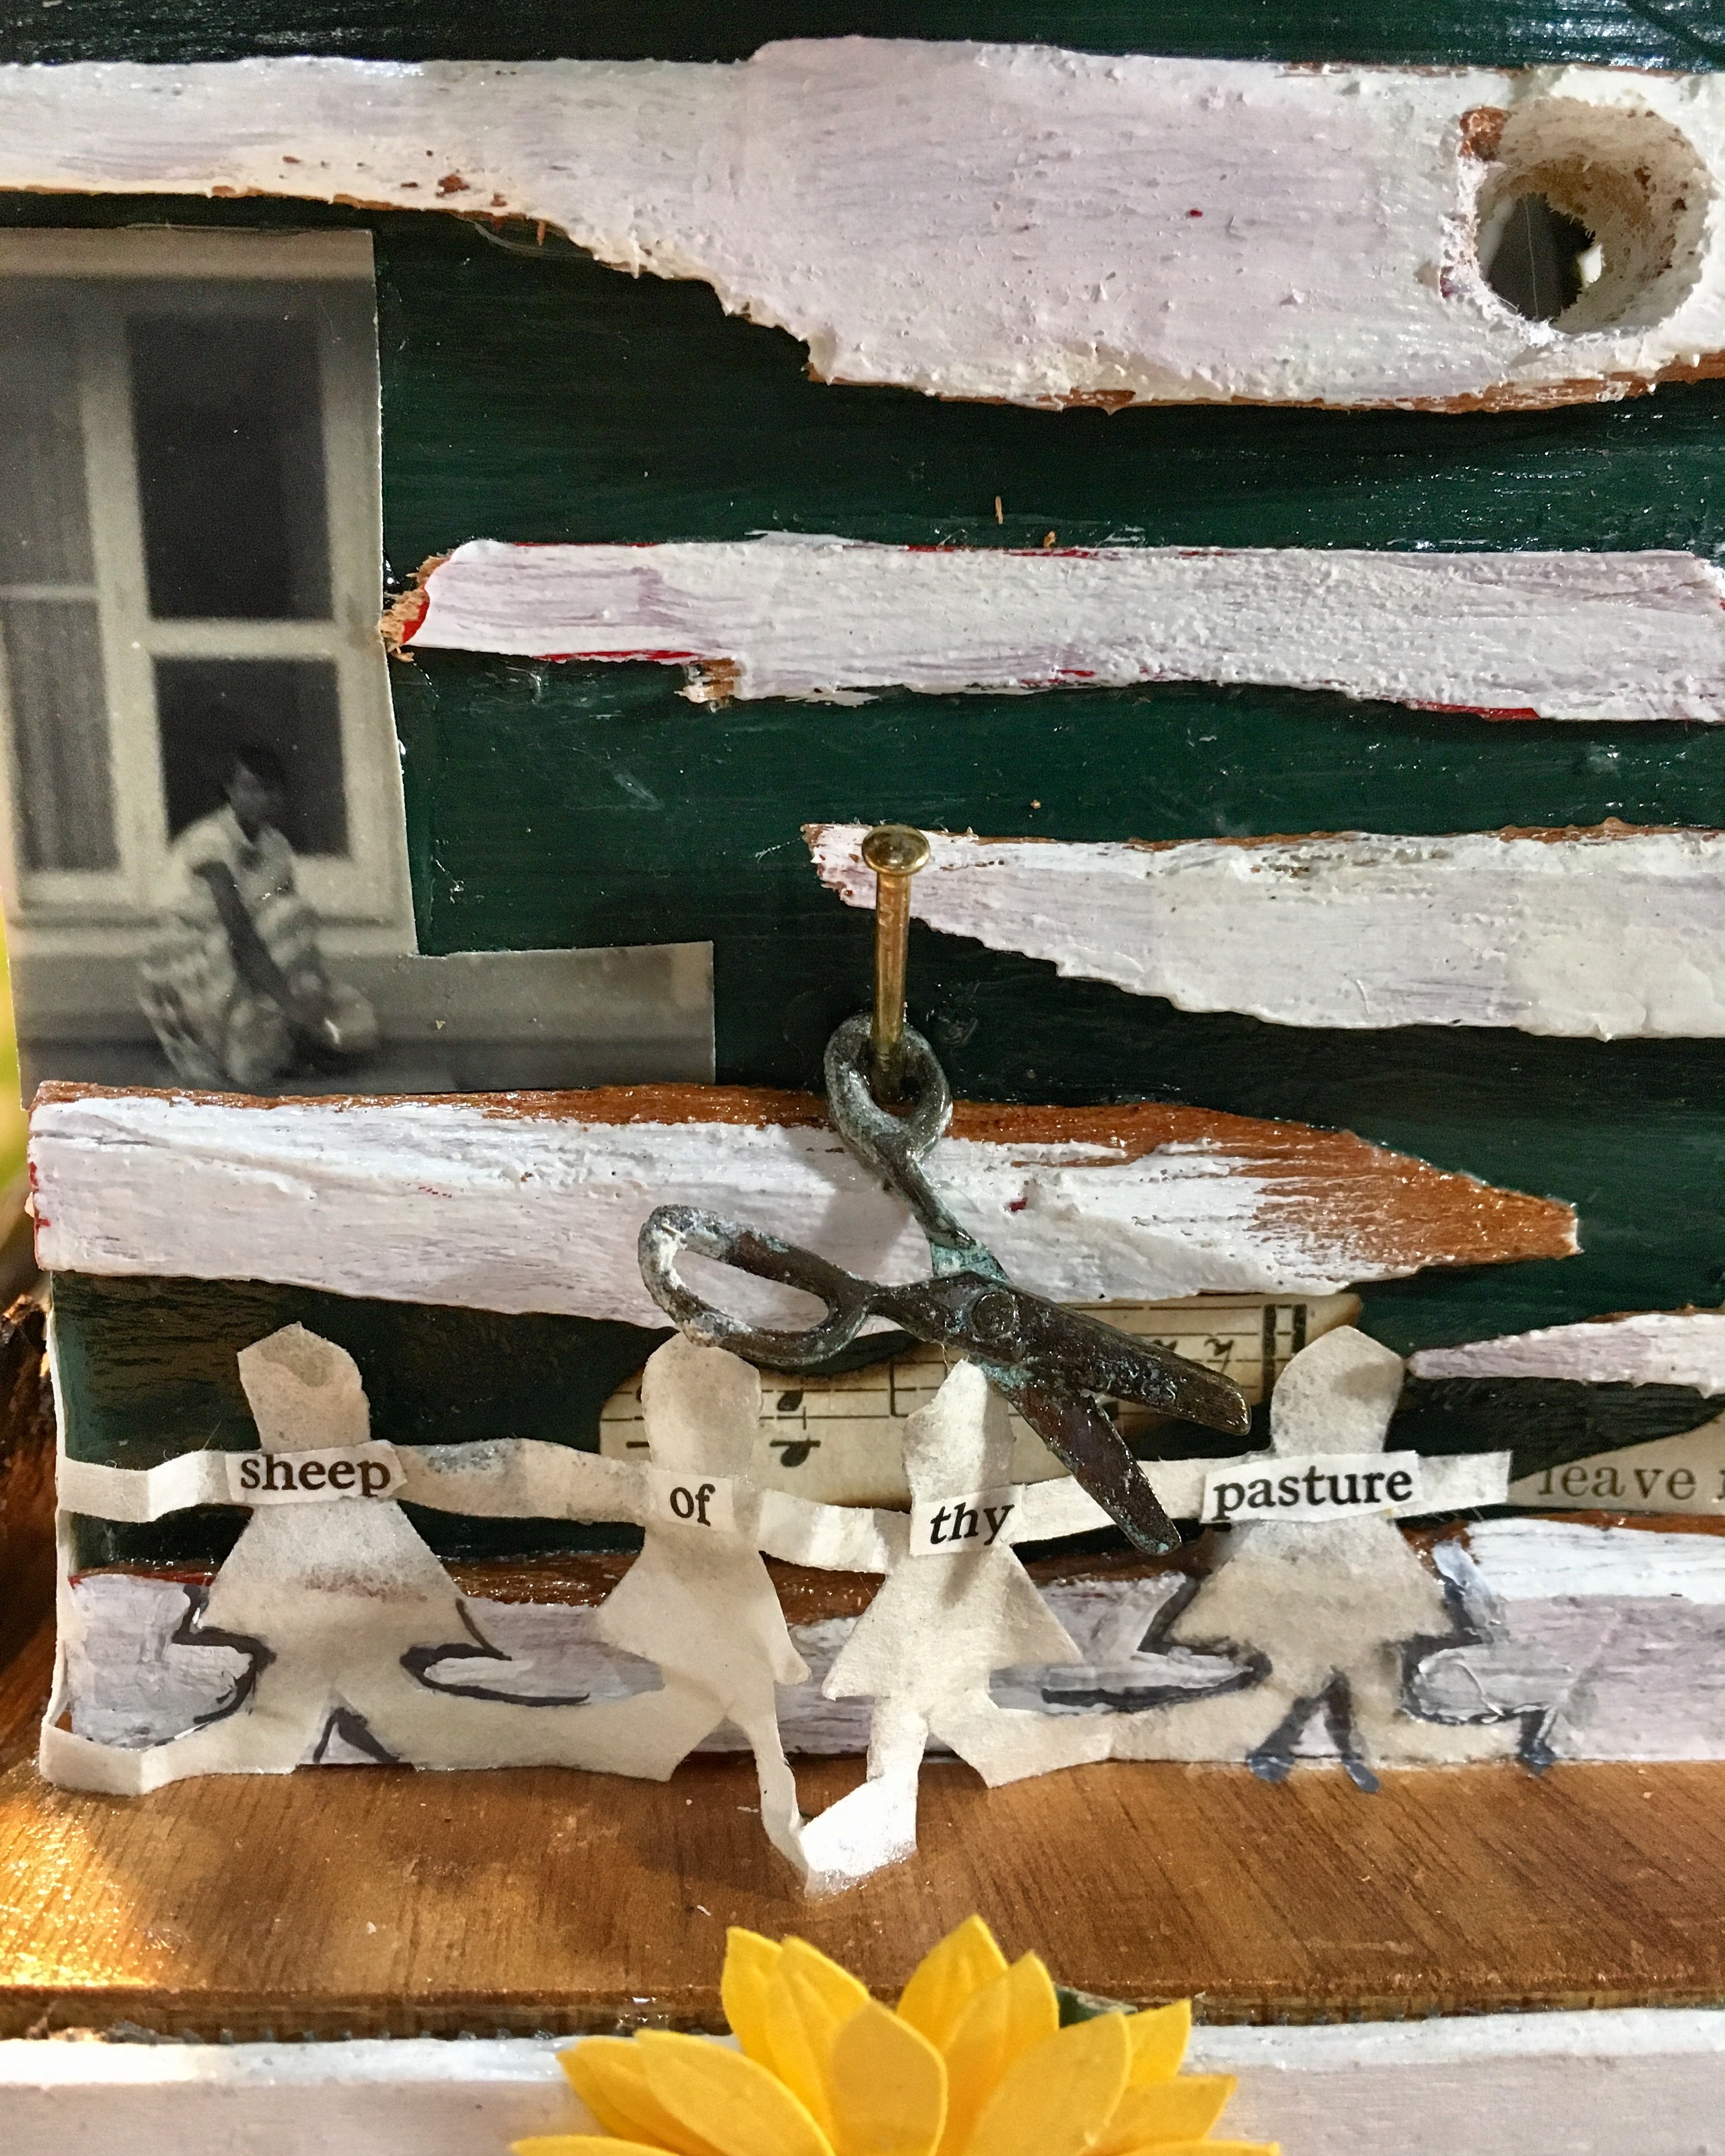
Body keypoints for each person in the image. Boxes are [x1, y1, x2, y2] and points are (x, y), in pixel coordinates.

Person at [139, 744, 376, 1089]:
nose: (261, 799)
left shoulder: (277, 846)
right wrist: (290, 1004)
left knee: (294, 922)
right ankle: (249, 1038)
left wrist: (303, 1000)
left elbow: (288, 933)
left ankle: (286, 1035)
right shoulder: (211, 840)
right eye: (250, 788)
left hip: (243, 953)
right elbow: (239, 930)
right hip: (191, 955)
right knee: (252, 1053)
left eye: (270, 790)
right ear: (231, 791)